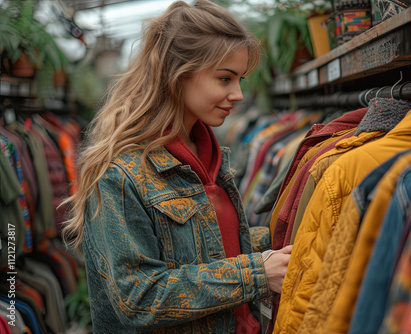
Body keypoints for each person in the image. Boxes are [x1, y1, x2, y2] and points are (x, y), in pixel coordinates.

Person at [62, 0, 292, 333]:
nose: (239, 94)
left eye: (240, 78)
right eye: (225, 78)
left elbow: (205, 248)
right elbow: (138, 297)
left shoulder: (209, 158)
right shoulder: (120, 173)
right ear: (178, 74)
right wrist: (256, 272)